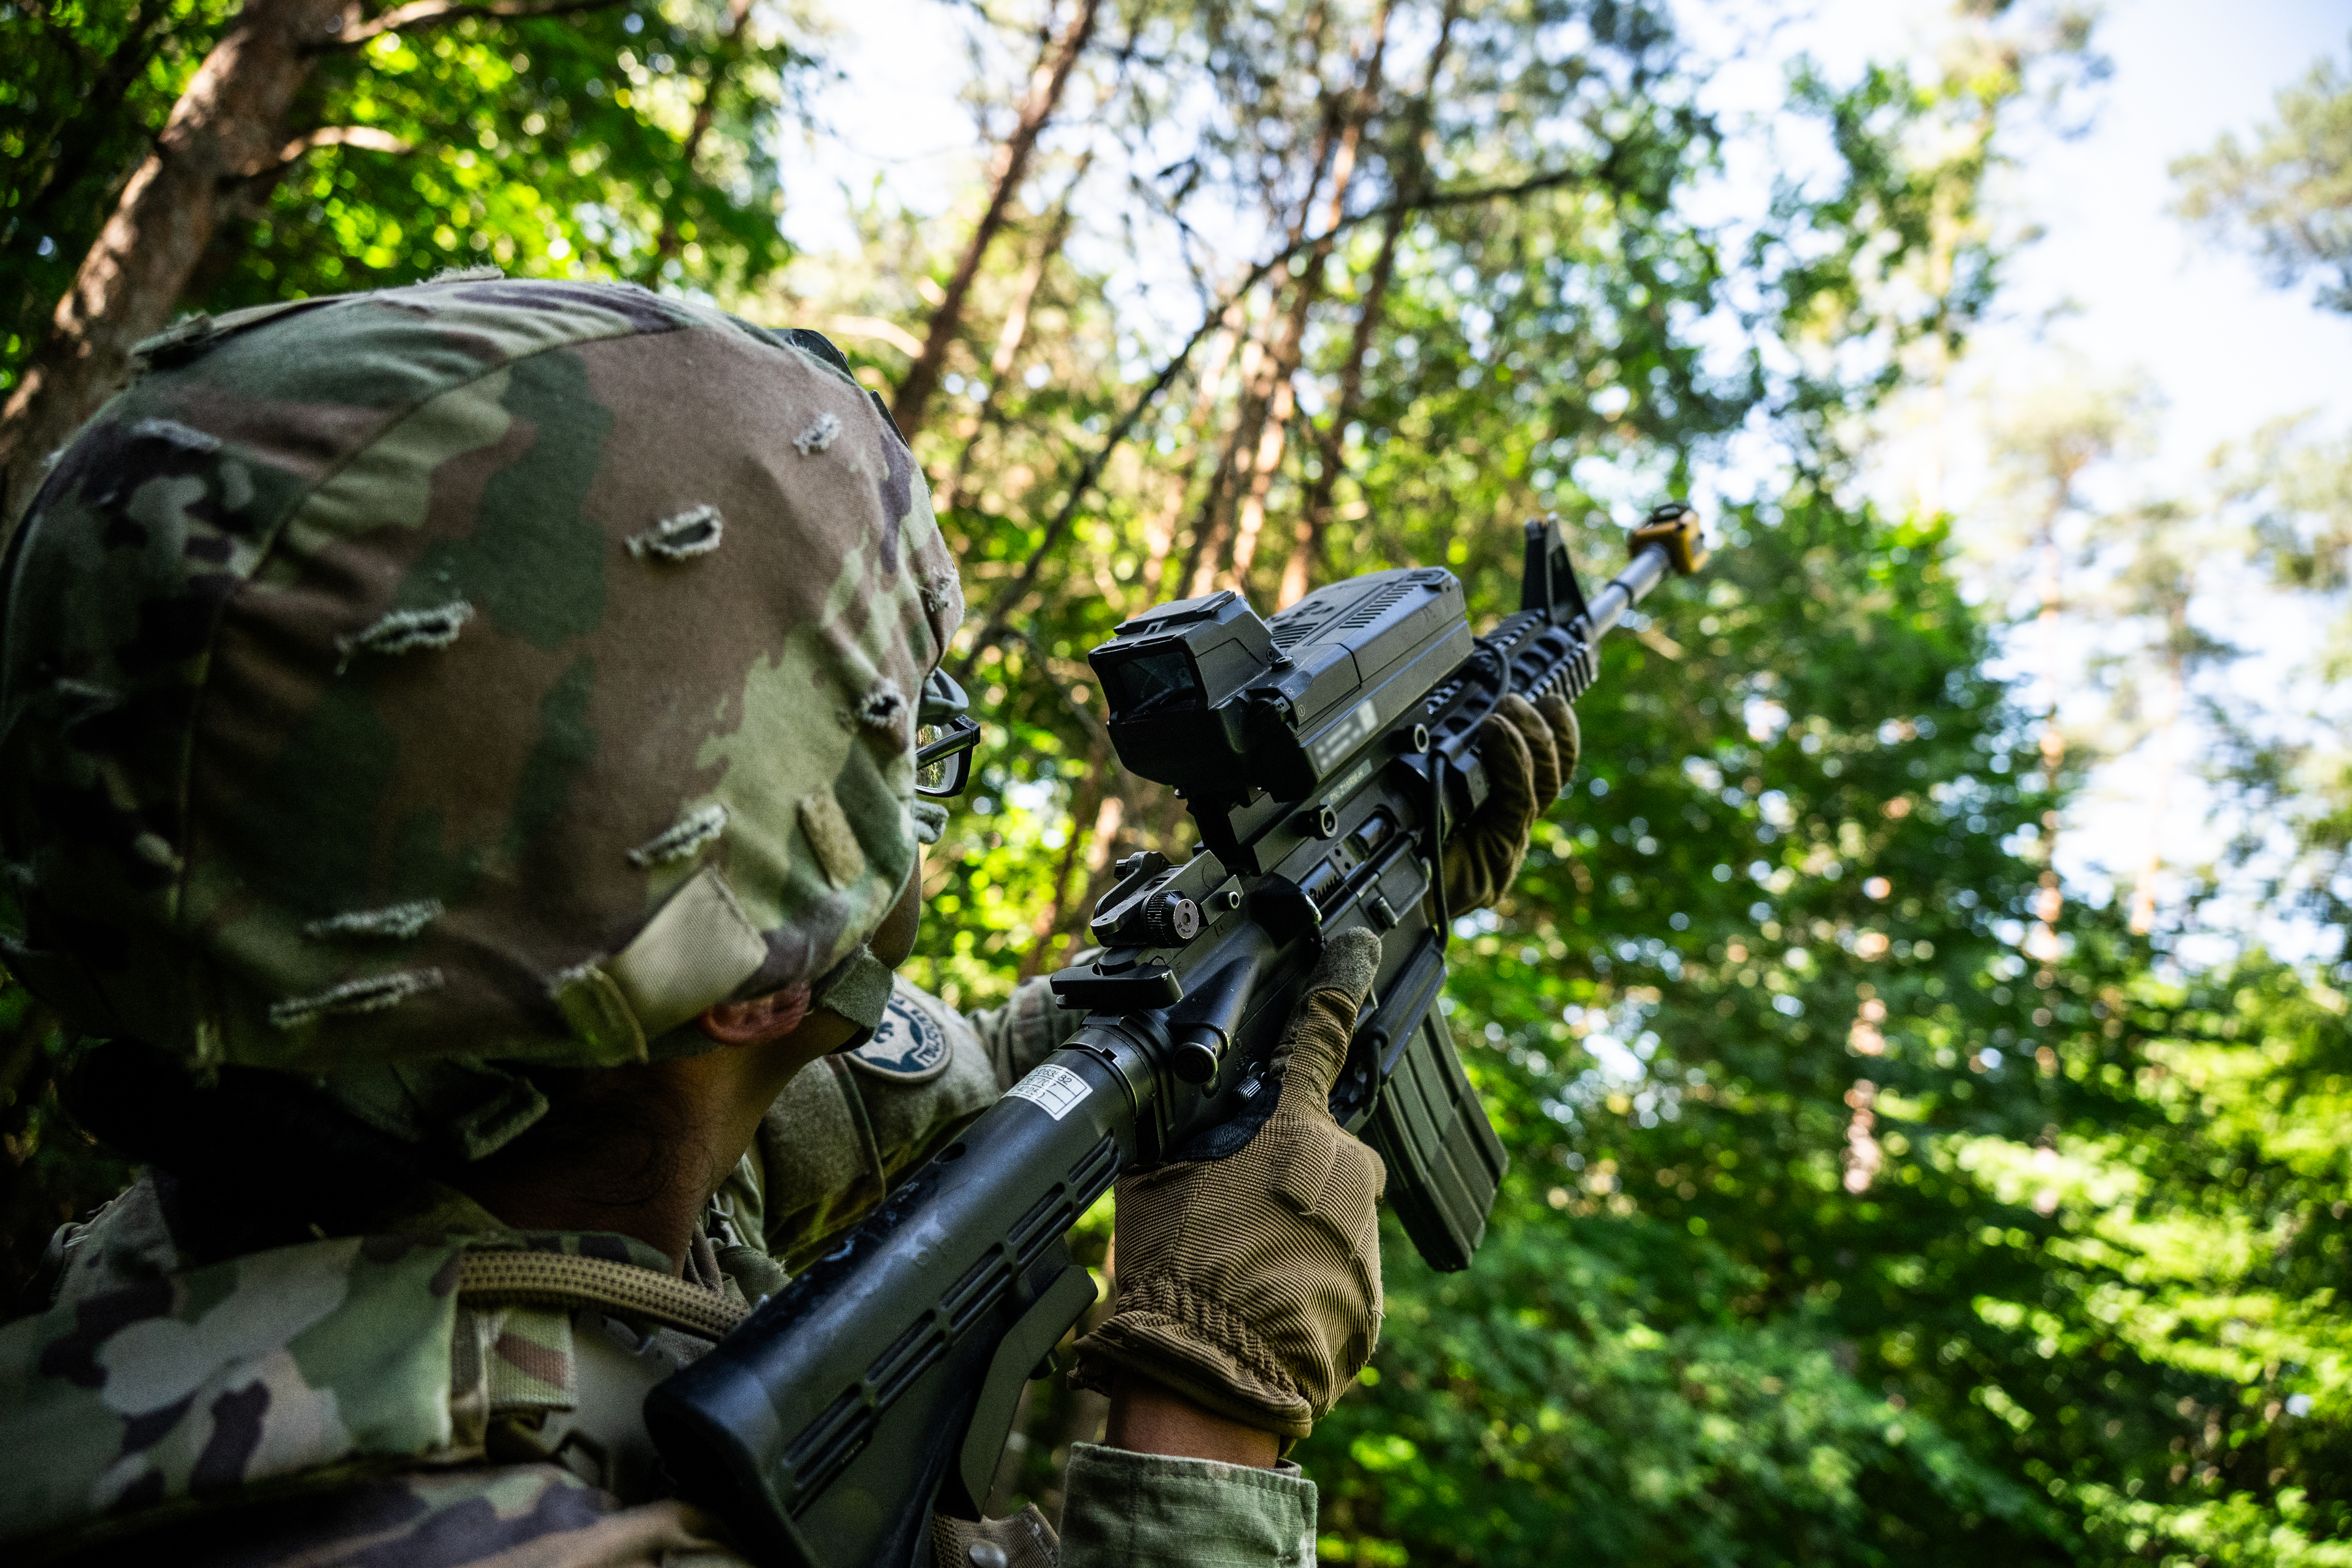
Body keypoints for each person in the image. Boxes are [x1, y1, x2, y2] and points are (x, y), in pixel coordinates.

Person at [0, 275, 1575, 1567]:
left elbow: (813, 1113)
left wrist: (1232, 967)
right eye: (888, 741)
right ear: (744, 989)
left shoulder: (291, 1220)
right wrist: (1205, 1423)